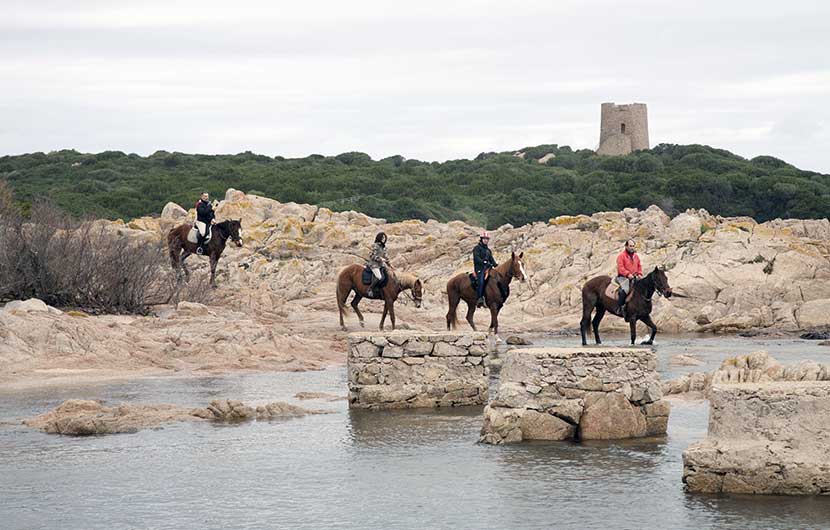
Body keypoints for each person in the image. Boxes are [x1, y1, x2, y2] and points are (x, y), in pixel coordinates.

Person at [616, 239, 642, 312]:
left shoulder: (636, 256)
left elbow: (639, 265)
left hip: (634, 277)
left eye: (633, 246)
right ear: (626, 246)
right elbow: (620, 268)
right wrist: (628, 274)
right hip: (623, 277)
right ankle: (620, 308)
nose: (632, 248)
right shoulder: (621, 256)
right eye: (630, 246)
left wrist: (639, 273)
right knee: (626, 289)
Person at [473, 230, 498, 307]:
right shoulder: (477, 248)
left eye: (487, 239)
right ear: (481, 239)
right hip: (479, 269)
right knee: (481, 281)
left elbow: (492, 260)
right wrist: (484, 263)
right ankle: (479, 298)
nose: (486, 240)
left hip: (487, 269)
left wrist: (496, 265)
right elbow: (476, 259)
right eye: (484, 239)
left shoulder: (488, 250)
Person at [366, 232, 389, 298]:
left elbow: (385, 256)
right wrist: (380, 259)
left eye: (385, 238)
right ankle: (370, 289)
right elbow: (371, 255)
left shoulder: (384, 247)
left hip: (381, 265)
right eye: (382, 238)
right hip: (374, 265)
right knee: (379, 277)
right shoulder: (375, 246)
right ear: (379, 238)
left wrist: (388, 262)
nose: (384, 239)